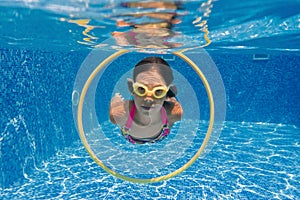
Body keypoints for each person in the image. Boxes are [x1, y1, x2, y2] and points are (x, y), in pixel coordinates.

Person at [110, 57, 183, 144]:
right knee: (116, 104)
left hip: (161, 134)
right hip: (130, 134)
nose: (148, 99)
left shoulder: (174, 113)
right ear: (131, 88)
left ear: (167, 91)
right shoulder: (119, 115)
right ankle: (116, 99)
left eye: (158, 91)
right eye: (141, 89)